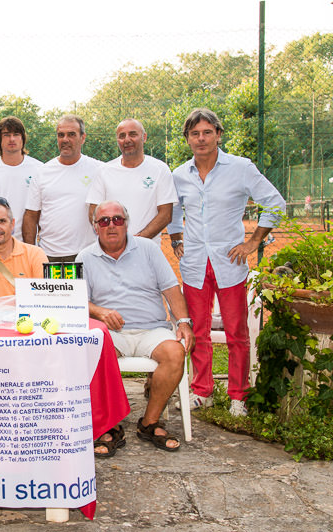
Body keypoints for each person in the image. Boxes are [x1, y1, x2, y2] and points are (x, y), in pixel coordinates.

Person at [168, 108, 285, 417]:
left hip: (229, 263)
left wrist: (254, 241)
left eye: (207, 132)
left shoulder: (240, 168)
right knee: (198, 332)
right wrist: (176, 239)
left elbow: (275, 203)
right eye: (195, 134)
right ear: (188, 139)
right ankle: (202, 391)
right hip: (194, 264)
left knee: (236, 333)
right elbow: (173, 211)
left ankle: (238, 396)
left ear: (218, 135)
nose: (201, 138)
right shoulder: (179, 175)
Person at [77, 200, 195, 455]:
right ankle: (109, 425)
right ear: (95, 226)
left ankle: (149, 422)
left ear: (127, 224)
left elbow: (171, 288)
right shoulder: (85, 257)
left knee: (175, 354)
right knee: (90, 352)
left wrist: (184, 322)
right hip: (111, 333)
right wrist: (100, 311)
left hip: (152, 328)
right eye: (104, 221)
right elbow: (77, 301)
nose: (111, 225)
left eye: (118, 219)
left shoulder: (149, 250)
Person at [23, 114, 103, 262]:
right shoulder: (42, 172)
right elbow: (30, 216)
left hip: (87, 256)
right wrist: (31, 255)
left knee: (84, 287)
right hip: (50, 256)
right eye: (61, 135)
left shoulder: (99, 170)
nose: (65, 139)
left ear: (83, 137)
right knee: (53, 287)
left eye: (71, 134)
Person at [86, 119, 177, 240]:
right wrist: (115, 241)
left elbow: (166, 214)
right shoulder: (103, 171)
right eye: (122, 136)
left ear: (144, 137)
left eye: (133, 134)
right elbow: (93, 212)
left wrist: (137, 241)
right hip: (112, 251)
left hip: (146, 250)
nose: (127, 140)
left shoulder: (160, 169)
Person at [0, 116, 43, 239]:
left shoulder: (39, 169)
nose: (12, 139)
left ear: (23, 138)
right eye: (6, 135)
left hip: (28, 242)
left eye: (16, 134)